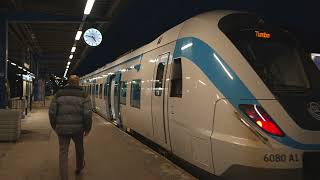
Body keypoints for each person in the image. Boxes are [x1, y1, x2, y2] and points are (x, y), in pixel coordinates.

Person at [48, 75, 92, 180]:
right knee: (79, 149)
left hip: (62, 129)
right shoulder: (84, 95)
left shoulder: (58, 94)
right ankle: (79, 167)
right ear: (78, 83)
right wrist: (87, 128)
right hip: (78, 129)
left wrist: (54, 126)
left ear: (68, 82)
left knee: (63, 153)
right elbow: (87, 114)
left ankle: (64, 177)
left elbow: (52, 112)